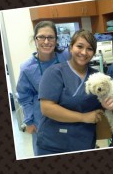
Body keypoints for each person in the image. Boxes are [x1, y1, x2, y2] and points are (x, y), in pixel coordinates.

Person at [36, 29, 103, 155]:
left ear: (93, 53)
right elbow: (47, 108)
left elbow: (102, 104)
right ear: (71, 48)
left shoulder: (97, 76)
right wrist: (83, 117)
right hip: (54, 144)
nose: (84, 52)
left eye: (89, 49)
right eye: (79, 46)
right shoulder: (54, 72)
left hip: (84, 142)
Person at [16, 21, 70, 156]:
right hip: (42, 119)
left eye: (50, 37)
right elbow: (24, 96)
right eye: (41, 37)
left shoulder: (66, 56)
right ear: (35, 39)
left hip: (68, 113)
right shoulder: (27, 68)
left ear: (56, 39)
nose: (46, 41)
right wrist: (29, 121)